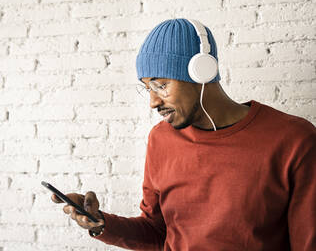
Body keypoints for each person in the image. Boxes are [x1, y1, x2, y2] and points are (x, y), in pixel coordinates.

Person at [50, 18, 316, 250]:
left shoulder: (293, 139)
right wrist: (100, 223)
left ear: (202, 72)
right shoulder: (160, 139)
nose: (153, 101)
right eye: (147, 88)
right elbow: (156, 232)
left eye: (161, 84)